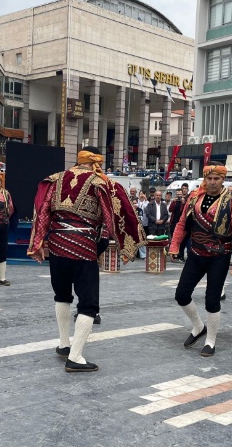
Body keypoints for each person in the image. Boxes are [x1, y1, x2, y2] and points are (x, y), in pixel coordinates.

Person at [28, 147, 145, 372]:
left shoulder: (56, 179)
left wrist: (38, 242)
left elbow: (42, 211)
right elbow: (113, 216)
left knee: (61, 295)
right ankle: (76, 357)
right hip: (83, 248)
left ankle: (64, 344)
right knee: (89, 303)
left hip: (57, 245)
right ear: (94, 163)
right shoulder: (100, 183)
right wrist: (126, 245)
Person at [168, 162, 232, 357]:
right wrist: (174, 245)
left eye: (217, 179)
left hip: (219, 257)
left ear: (223, 180)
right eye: (209, 178)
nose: (212, 182)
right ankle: (198, 326)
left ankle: (211, 340)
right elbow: (182, 224)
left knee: (212, 299)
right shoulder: (194, 197)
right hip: (196, 253)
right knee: (181, 294)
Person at [169, 183, 190, 261]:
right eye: (178, 195)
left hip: (184, 222)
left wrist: (184, 202)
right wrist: (173, 202)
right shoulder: (175, 201)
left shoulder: (188, 199)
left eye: (180, 195)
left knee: (185, 240)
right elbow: (170, 210)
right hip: (175, 222)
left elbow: (187, 211)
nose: (179, 196)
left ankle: (182, 254)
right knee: (174, 238)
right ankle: (175, 253)